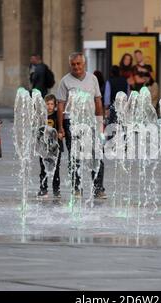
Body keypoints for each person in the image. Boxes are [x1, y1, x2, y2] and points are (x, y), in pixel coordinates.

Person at [56, 52, 107, 199]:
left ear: (84, 64)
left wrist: (99, 123)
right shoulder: (65, 81)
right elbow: (60, 105)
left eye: (78, 64)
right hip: (71, 123)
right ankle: (76, 188)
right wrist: (60, 127)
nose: (76, 67)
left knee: (96, 155)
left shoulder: (93, 79)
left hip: (90, 122)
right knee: (75, 156)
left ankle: (98, 188)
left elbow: (98, 101)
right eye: (73, 64)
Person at [37, 94, 64, 199]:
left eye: (52, 104)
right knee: (43, 168)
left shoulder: (57, 116)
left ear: (55, 105)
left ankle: (56, 190)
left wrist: (61, 134)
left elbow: (61, 129)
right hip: (44, 147)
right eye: (47, 104)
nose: (49, 106)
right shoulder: (42, 116)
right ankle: (43, 189)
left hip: (55, 148)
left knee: (56, 169)